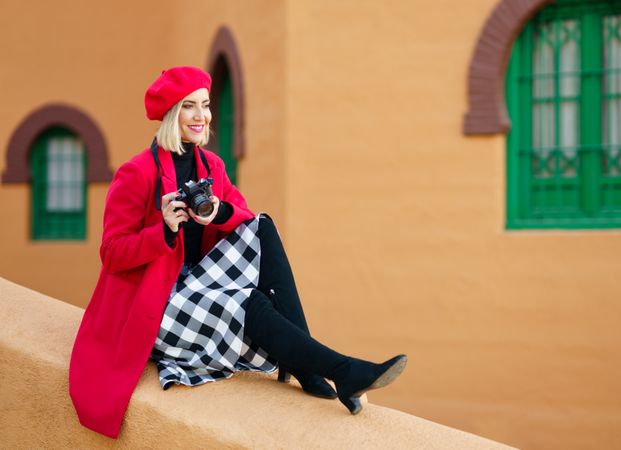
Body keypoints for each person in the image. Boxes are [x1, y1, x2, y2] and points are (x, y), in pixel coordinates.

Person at [69, 66, 407, 439]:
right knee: (248, 303)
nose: (202, 116)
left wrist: (220, 212)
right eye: (189, 107)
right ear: (170, 114)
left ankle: (309, 367)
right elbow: (112, 254)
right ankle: (339, 371)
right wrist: (163, 229)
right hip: (158, 302)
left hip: (198, 282)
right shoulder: (137, 173)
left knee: (262, 224)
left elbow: (244, 217)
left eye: (206, 105)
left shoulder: (211, 165)